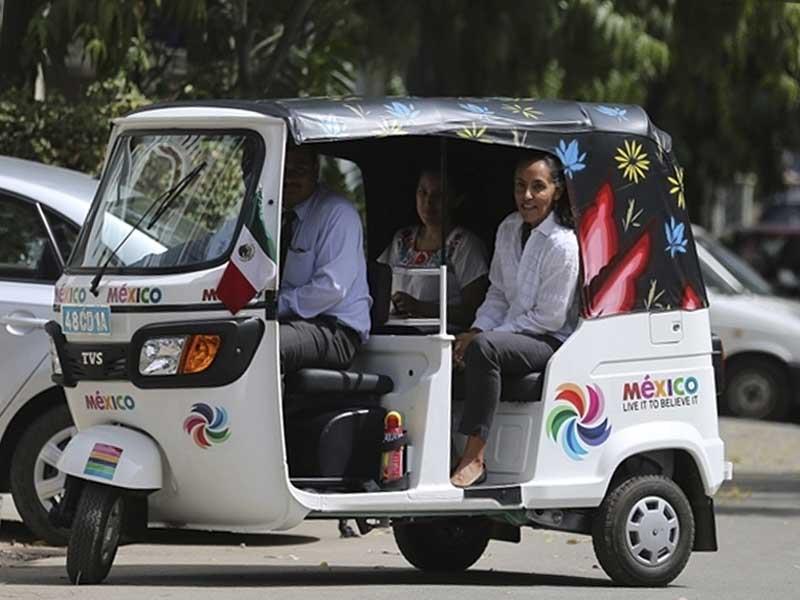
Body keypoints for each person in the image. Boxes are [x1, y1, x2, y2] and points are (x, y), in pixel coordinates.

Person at [449, 151, 580, 488]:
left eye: (538, 187)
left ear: (557, 191)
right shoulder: (508, 228)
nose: (527, 196)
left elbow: (548, 319)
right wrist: (475, 330)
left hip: (549, 340)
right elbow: (497, 293)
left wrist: (484, 339)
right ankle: (442, 450)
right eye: (520, 186)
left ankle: (475, 457)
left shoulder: (563, 245)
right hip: (510, 333)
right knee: (452, 345)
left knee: (486, 349)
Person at [278, 144, 372, 372]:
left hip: (336, 329)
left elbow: (331, 288)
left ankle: (268, 410)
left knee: (268, 347)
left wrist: (276, 305)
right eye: (284, 170)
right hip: (290, 321)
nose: (289, 179)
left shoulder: (337, 214)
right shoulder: (269, 214)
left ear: (315, 170)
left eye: (298, 171)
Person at [377, 169, 489, 328]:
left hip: (438, 342)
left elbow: (473, 312)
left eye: (439, 195)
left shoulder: (465, 244)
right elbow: (378, 285)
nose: (428, 201)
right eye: (423, 192)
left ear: (457, 199)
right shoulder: (402, 239)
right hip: (395, 337)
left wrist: (421, 307)